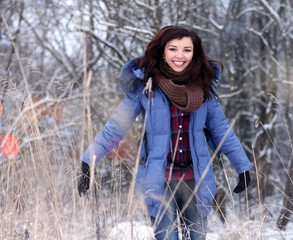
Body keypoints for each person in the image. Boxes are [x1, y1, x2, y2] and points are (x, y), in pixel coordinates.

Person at [78, 25, 252, 240]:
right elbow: (116, 126)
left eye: (187, 50)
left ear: (195, 53)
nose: (180, 56)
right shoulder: (146, 85)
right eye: (173, 49)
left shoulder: (203, 88)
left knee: (197, 237)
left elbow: (221, 131)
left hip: (195, 180)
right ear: (163, 51)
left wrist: (242, 166)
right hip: (160, 181)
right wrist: (88, 161)